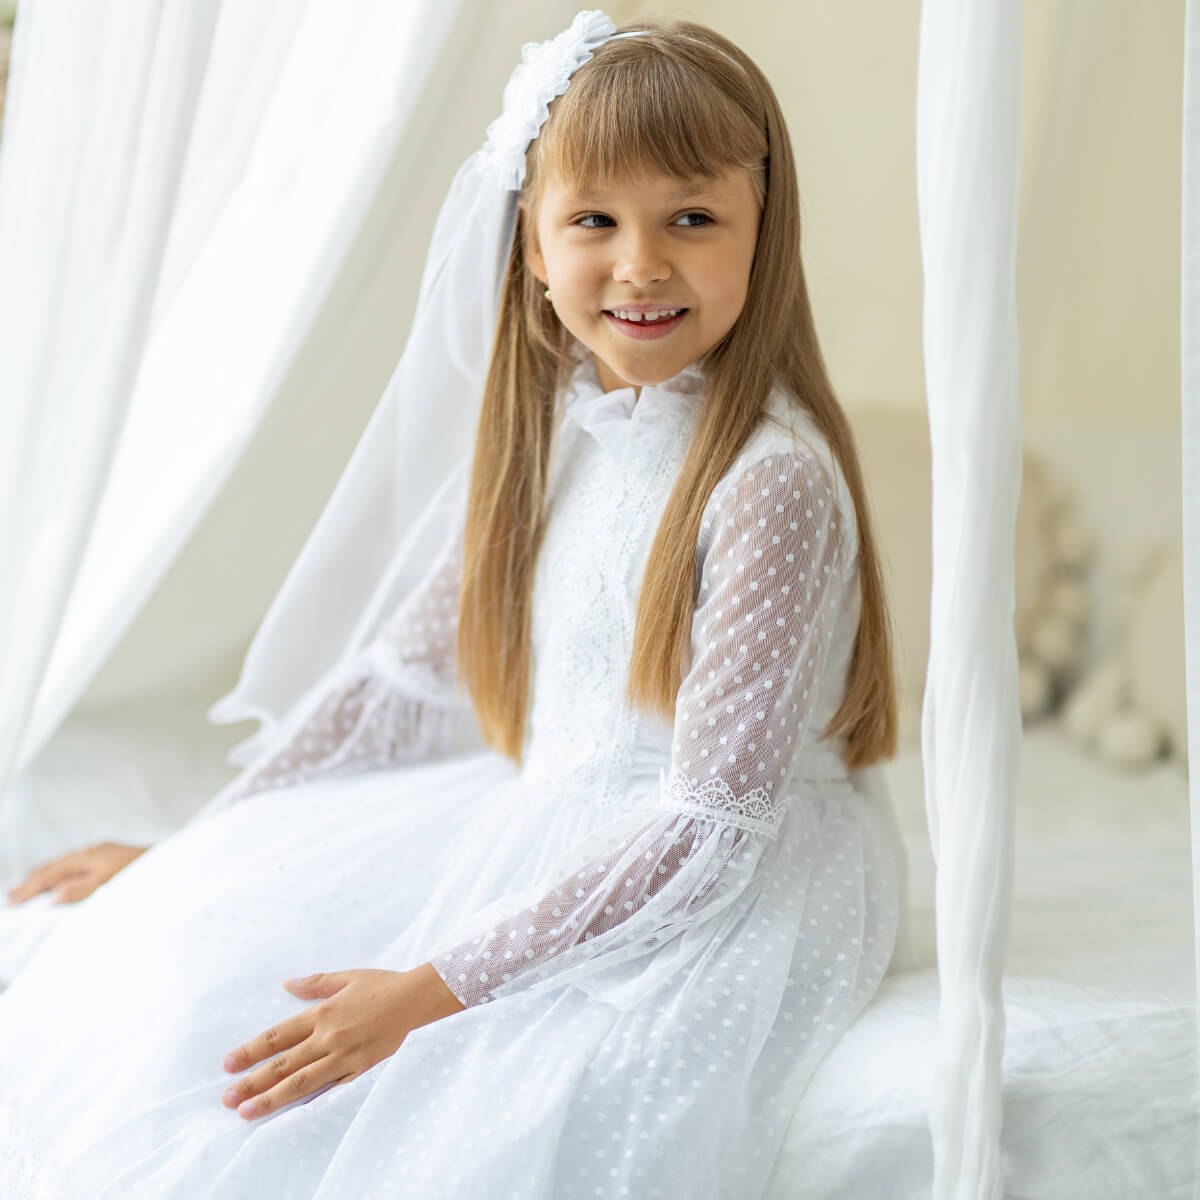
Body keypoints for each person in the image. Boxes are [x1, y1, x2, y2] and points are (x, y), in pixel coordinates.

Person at [0, 11, 904, 1198]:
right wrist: (198, 849)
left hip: (712, 874)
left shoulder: (768, 481)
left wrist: (431, 991)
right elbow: (402, 688)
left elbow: (709, 832)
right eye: (595, 220)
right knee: (186, 966)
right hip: (552, 817)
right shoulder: (562, 436)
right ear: (531, 244)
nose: (641, 264)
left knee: (447, 1114)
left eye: (692, 218)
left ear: (763, 231)